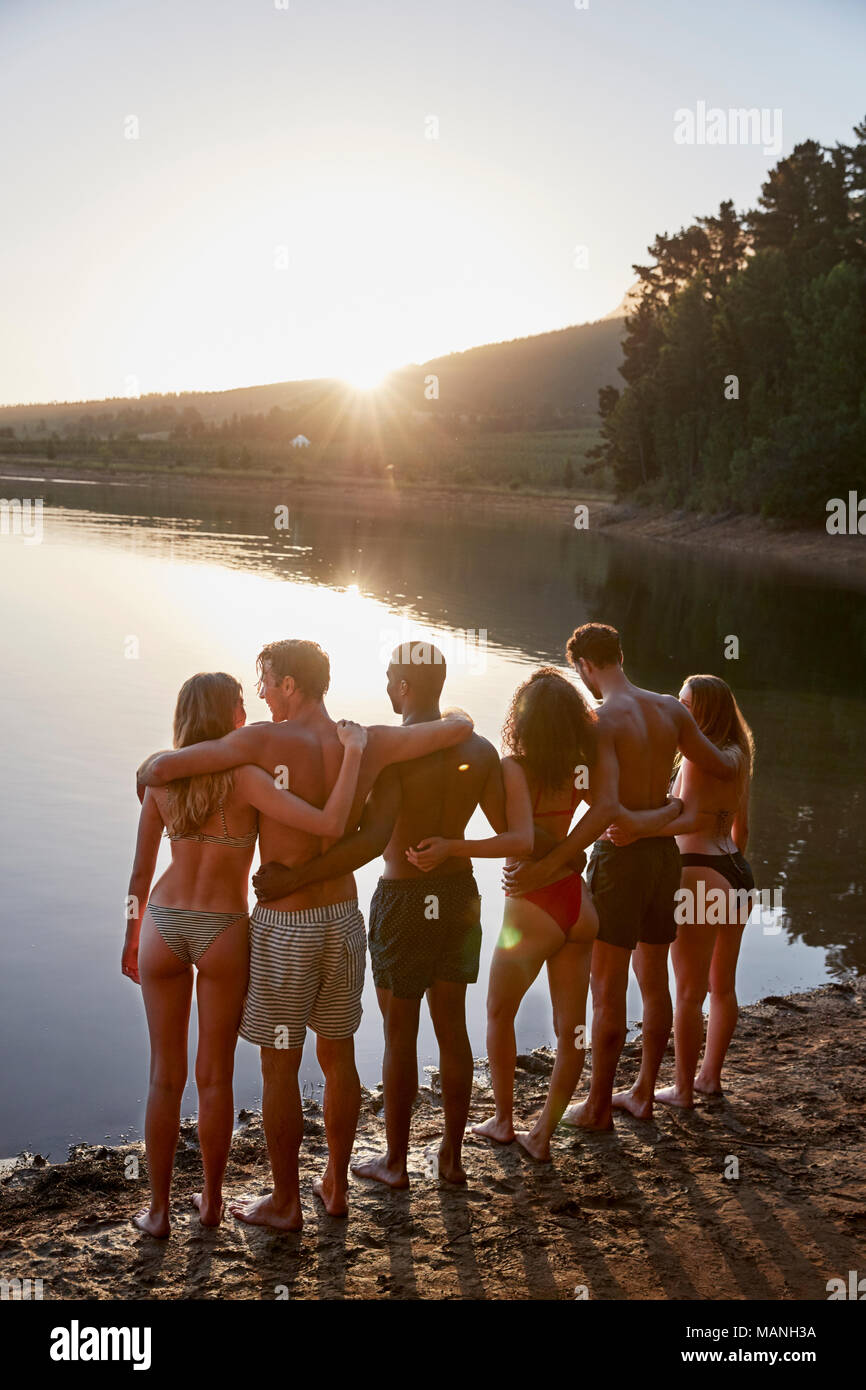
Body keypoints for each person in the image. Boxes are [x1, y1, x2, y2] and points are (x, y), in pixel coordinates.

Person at [137, 639, 472, 1229]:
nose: (261, 691)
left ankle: (285, 1201)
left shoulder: (260, 741)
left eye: (265, 680)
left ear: (290, 684)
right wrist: (457, 719)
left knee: (280, 1067)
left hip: (285, 923)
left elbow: (168, 768)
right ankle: (336, 1187)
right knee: (338, 1056)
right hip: (342, 917)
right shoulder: (367, 739)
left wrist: (147, 770)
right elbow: (453, 727)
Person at [124, 671, 366, 1239]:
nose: (246, 712)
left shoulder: (162, 780)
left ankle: (158, 1213)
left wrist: (131, 939)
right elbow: (326, 823)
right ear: (228, 717)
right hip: (224, 931)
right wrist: (352, 754)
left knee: (164, 1076)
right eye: (239, 704)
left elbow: (139, 876)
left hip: (162, 921)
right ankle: (210, 1202)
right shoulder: (250, 779)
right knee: (215, 1076)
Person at [254, 641, 505, 1187]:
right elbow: (511, 833)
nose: (387, 686)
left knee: (399, 1036)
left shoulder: (391, 753)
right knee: (454, 1029)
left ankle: (395, 1162)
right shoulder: (481, 750)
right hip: (460, 896)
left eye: (391, 677)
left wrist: (297, 877)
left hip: (404, 900)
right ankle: (452, 1160)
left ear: (406, 686)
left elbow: (368, 843)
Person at [505, 623, 739, 1130]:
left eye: (580, 672)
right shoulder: (672, 709)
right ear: (620, 656)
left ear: (585, 666)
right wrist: (669, 808)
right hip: (665, 860)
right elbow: (722, 764)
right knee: (655, 983)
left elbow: (605, 804)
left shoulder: (600, 720)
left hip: (622, 861)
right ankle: (644, 1095)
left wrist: (555, 858)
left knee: (607, 988)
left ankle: (596, 1107)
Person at [409, 668, 602, 1162]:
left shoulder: (515, 768)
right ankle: (543, 1135)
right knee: (571, 1028)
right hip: (579, 906)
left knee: (498, 1013)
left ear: (525, 720)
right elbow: (602, 816)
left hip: (532, 909)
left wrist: (455, 845)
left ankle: (503, 1118)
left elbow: (518, 839)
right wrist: (570, 857)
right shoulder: (580, 768)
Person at [607, 674, 755, 1106]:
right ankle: (709, 1078)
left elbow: (686, 819)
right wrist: (728, 869)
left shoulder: (695, 759)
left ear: (705, 712)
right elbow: (738, 828)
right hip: (735, 871)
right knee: (722, 987)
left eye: (687, 707)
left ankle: (685, 1089)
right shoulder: (738, 755)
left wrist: (636, 829)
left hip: (700, 874)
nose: (679, 713)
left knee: (690, 992)